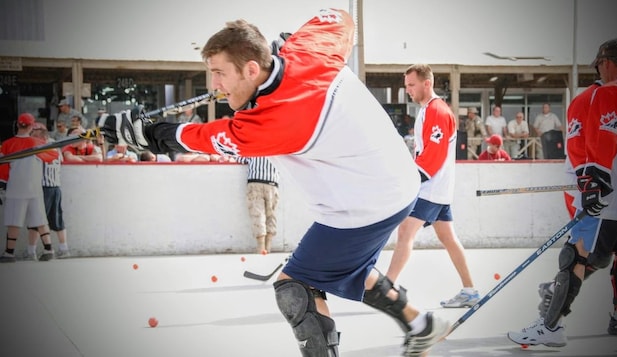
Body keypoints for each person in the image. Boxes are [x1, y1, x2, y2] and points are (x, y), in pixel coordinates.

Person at [97, 9, 450, 356]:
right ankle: (421, 325)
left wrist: (146, 134)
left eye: (220, 74)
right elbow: (340, 16)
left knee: (296, 287)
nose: (214, 86)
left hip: (365, 204)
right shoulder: (307, 47)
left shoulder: (275, 120)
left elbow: (202, 137)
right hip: (390, 186)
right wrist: (292, 41)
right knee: (341, 267)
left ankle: (415, 327)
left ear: (252, 69)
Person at [507, 38, 617, 352]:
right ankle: (615, 316)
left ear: (604, 62)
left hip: (608, 200)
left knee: (574, 257)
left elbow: (600, 140)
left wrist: (591, 183)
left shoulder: (608, 93)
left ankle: (550, 326)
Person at [385, 64, 480, 310]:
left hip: (431, 189)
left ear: (427, 83)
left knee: (406, 232)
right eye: (406, 85)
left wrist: (410, 180)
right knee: (448, 237)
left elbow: (433, 158)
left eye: (411, 85)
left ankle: (386, 289)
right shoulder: (431, 110)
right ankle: (470, 290)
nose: (408, 90)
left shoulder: (436, 111)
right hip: (439, 189)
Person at [0, 113, 58, 263]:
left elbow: (3, 169)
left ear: (18, 125)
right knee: (40, 220)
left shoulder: (6, 145)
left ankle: (9, 253)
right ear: (31, 126)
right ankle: (48, 249)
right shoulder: (39, 144)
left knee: (14, 221)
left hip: (15, 189)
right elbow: (53, 156)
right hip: (35, 189)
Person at [28, 123, 71, 259]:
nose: (31, 133)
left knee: (36, 220)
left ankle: (31, 252)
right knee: (57, 219)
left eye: (33, 131)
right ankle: (64, 249)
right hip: (55, 187)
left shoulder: (39, 147)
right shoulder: (55, 145)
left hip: (43, 187)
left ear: (39, 132)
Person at [235, 157, 280, 253]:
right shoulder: (277, 148)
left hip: (255, 181)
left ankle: (261, 248)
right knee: (271, 215)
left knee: (257, 214)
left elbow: (240, 158)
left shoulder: (253, 146)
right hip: (272, 182)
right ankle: (268, 248)